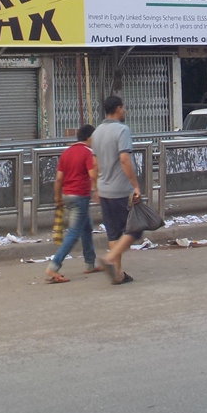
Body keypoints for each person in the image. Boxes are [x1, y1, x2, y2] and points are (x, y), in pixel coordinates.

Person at [44, 124, 104, 284]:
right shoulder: (87, 153)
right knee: (73, 233)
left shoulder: (66, 152)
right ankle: (54, 266)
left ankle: (90, 263)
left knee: (86, 227)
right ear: (89, 138)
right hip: (80, 196)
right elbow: (92, 174)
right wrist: (96, 190)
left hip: (67, 195)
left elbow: (58, 179)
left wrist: (57, 198)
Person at [95, 95, 141, 285]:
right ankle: (109, 259)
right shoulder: (122, 130)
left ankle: (118, 273)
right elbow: (124, 159)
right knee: (135, 229)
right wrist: (135, 185)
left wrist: (95, 187)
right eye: (124, 108)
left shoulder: (97, 131)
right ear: (118, 108)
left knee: (114, 233)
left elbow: (93, 162)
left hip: (104, 188)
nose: (125, 111)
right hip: (120, 190)